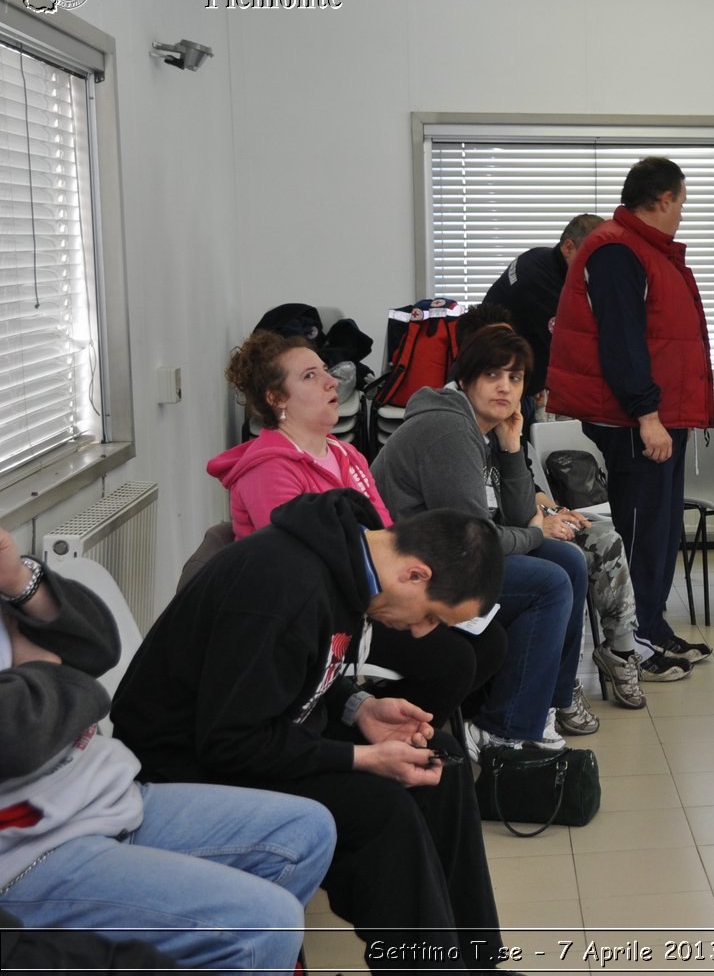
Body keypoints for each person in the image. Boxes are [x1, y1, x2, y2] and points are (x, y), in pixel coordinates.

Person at [111, 493, 507, 971]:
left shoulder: (343, 561)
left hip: (256, 733)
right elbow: (231, 743)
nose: (423, 632)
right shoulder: (283, 587)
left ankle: (477, 963)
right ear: (415, 573)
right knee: (381, 812)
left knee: (439, 759)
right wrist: (364, 759)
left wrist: (359, 708)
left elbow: (297, 673)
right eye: (432, 615)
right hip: (182, 764)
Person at [0, 525, 335, 972]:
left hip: (99, 794)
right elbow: (20, 737)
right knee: (265, 922)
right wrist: (49, 668)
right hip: (29, 848)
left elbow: (101, 648)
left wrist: (18, 583)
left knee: (307, 830)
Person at [209, 329, 506, 720]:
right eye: (310, 376)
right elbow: (298, 563)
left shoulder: (347, 455)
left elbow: (383, 533)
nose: (333, 381)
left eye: (325, 371)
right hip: (318, 615)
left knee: (490, 641)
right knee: (452, 661)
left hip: (365, 597)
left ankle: (402, 722)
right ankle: (369, 732)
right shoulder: (269, 468)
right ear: (277, 399)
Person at [375, 327, 605, 748]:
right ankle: (504, 729)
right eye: (493, 375)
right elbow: (473, 541)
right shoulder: (448, 430)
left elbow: (517, 515)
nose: (505, 387)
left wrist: (512, 446)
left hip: (449, 559)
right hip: (417, 571)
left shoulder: (483, 429)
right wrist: (534, 535)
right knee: (548, 583)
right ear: (466, 379)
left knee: (569, 561)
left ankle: (546, 705)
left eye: (515, 378)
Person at [458, 306, 683, 704]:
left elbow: (521, 477)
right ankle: (564, 676)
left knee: (602, 536)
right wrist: (538, 526)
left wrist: (552, 510)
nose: (506, 379)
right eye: (494, 366)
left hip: (520, 517)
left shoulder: (512, 412)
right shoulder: (454, 422)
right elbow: (471, 523)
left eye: (514, 371)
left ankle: (622, 651)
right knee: (563, 561)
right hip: (490, 537)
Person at [546, 156, 714, 666]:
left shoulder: (648, 250)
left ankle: (653, 626)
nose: (682, 212)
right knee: (640, 533)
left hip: (663, 415)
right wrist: (647, 416)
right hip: (636, 420)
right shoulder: (617, 250)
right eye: (681, 202)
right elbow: (622, 343)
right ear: (663, 198)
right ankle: (629, 644)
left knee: (661, 531)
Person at [483, 212, 604, 403]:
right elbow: (568, 353)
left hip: (507, 381)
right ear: (568, 247)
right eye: (592, 257)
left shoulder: (539, 256)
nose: (598, 268)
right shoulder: (544, 287)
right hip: (499, 389)